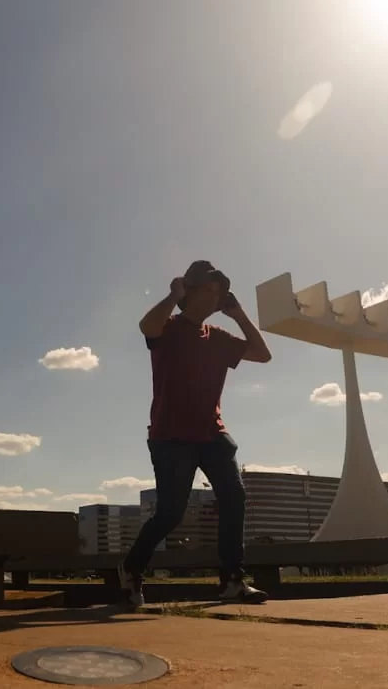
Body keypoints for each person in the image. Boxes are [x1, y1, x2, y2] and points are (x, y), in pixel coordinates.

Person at [118, 260, 272, 608]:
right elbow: (146, 325)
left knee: (234, 497)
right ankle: (131, 569)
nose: (214, 297)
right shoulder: (169, 328)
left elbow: (263, 355)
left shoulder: (218, 339)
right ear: (189, 291)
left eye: (218, 293)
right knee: (171, 513)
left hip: (212, 434)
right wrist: (173, 295)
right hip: (171, 436)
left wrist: (239, 314)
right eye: (207, 289)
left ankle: (233, 580)